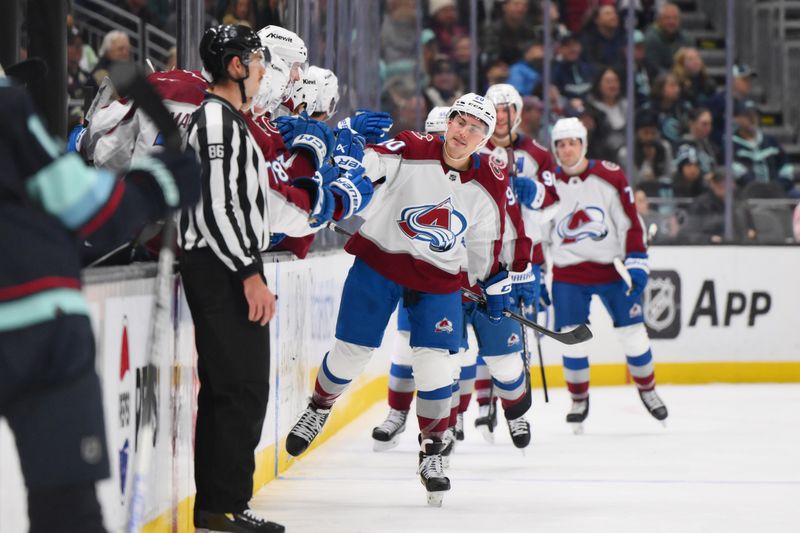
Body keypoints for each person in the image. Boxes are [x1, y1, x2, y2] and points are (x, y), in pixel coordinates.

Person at [180, 24, 371, 533]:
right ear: (237, 66)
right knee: (238, 389)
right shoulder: (218, 122)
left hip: (226, 265)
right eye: (259, 62)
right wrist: (249, 273)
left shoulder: (231, 120)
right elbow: (220, 208)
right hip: (222, 268)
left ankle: (220, 506)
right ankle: (222, 506)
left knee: (234, 389)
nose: (267, 73)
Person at [284, 93, 517, 506]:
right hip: (381, 264)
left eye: (476, 129)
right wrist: (349, 144)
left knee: (435, 365)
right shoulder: (411, 146)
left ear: (485, 139)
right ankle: (320, 406)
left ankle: (432, 450)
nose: (464, 133)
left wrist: (489, 283)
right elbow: (368, 162)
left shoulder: (492, 181)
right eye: (460, 122)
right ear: (449, 122)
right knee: (351, 353)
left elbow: (485, 238)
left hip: (439, 279)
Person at [0, 66, 199, 533]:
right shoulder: (5, 105)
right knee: (66, 509)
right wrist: (160, 184)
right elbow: (85, 207)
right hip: (33, 319)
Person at [547, 117, 669, 433]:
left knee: (633, 333)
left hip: (609, 268)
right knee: (572, 340)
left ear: (583, 144)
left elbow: (630, 222)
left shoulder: (609, 176)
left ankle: (648, 389)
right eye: (560, 144)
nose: (566, 149)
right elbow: (536, 231)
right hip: (567, 274)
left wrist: (638, 261)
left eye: (572, 142)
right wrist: (533, 271)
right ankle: (578, 399)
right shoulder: (547, 183)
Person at [731, 100, 795, 192]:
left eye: (755, 115)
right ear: (737, 119)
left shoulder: (770, 140)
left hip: (777, 191)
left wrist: (780, 185)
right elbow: (735, 171)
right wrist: (758, 188)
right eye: (747, 115)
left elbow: (785, 165)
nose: (752, 119)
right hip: (746, 194)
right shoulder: (730, 144)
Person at [643, 2, 693, 72]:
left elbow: (692, 62)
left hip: (683, 77)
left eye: (675, 18)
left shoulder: (687, 38)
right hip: (659, 80)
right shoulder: (651, 38)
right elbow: (653, 67)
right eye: (667, 18)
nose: (672, 21)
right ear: (659, 20)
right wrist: (674, 78)